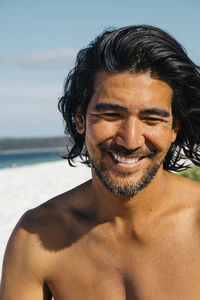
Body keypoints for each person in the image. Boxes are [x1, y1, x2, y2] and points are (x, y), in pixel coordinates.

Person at [1, 25, 200, 300]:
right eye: (110, 114)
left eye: (151, 119)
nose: (130, 141)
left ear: (174, 128)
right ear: (80, 119)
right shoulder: (35, 237)